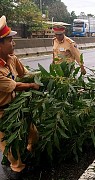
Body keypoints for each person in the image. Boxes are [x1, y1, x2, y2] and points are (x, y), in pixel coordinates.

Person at [0, 15, 40, 179]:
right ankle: (18, 170)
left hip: (17, 108)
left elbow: (26, 75)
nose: (14, 43)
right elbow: (15, 85)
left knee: (33, 133)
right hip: (2, 113)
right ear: (0, 44)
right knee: (10, 147)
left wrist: (44, 77)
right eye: (10, 40)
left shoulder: (12, 59)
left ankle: (28, 152)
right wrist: (32, 86)